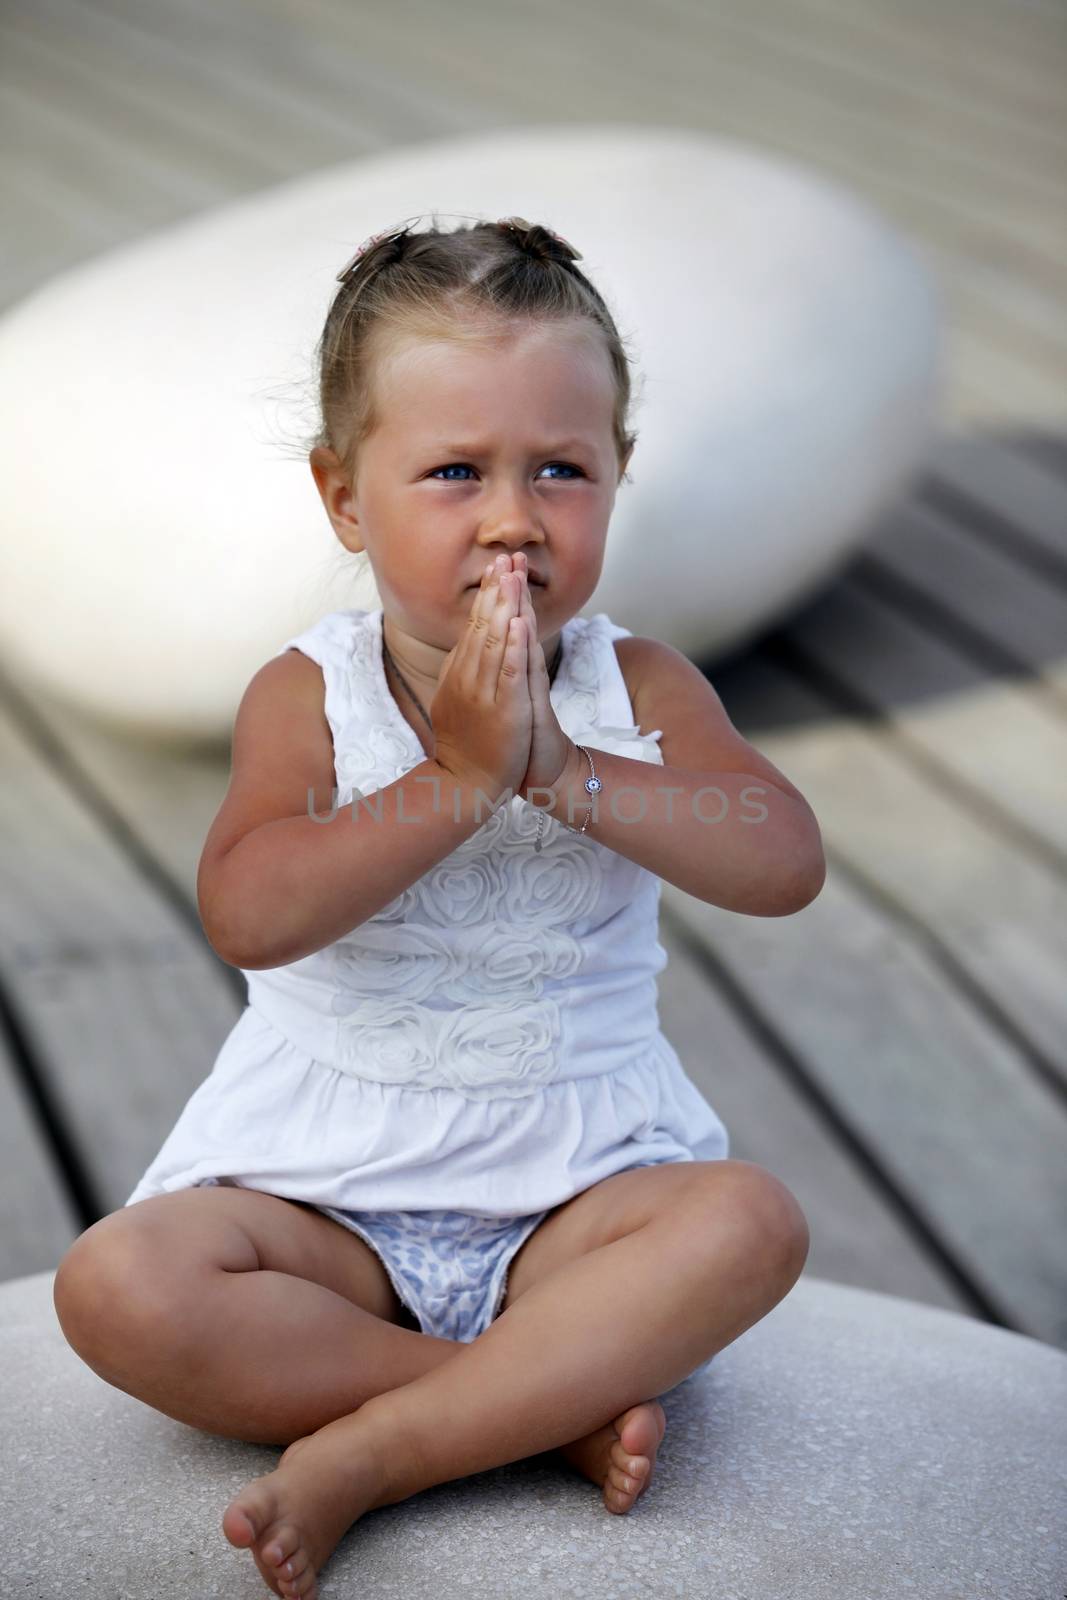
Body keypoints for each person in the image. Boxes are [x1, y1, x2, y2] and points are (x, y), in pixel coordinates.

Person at [52, 213, 823, 1600]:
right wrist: (462, 779)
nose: (515, 516)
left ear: (620, 475)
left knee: (749, 1223)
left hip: (580, 1196)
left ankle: (386, 1445)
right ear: (345, 497)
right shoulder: (311, 693)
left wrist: (565, 770)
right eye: (456, 471)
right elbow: (249, 908)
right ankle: (534, 1407)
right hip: (326, 1199)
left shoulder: (636, 688)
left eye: (563, 471)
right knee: (118, 1290)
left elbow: (780, 856)